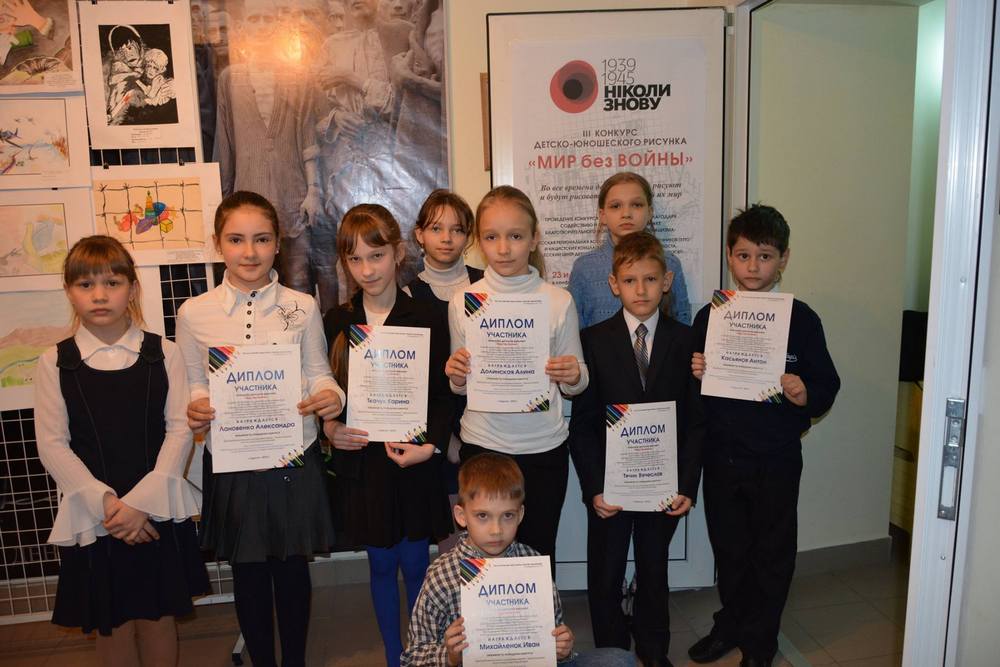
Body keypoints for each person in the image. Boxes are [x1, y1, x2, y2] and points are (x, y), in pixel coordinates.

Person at [177, 191, 344, 667]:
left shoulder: (302, 306)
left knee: (291, 569)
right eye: (236, 240)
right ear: (217, 244)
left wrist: (332, 397)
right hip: (233, 458)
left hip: (292, 453)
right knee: (248, 572)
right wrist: (197, 406)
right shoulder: (193, 313)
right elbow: (194, 382)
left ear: (278, 244)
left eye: (262, 239)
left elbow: (319, 373)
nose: (249, 252)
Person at [35, 235, 209, 665]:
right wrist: (109, 507)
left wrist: (141, 505)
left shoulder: (163, 353)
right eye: (86, 284)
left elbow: (178, 430)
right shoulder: (54, 361)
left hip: (156, 510)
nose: (99, 295)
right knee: (111, 623)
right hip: (95, 516)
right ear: (69, 291)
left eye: (111, 283)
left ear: (132, 288)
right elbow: (52, 444)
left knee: (158, 617)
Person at [687, 205, 840, 667]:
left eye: (765, 256)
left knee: (772, 552)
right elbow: (692, 394)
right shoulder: (710, 317)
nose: (753, 267)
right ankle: (731, 624)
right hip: (722, 456)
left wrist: (804, 393)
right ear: (729, 256)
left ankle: (760, 642)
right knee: (730, 549)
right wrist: (696, 372)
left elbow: (827, 384)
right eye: (744, 255)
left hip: (775, 457)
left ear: (784, 259)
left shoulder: (802, 319)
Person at [323, 203, 453, 667]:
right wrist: (330, 428)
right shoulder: (337, 321)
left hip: (414, 460)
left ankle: (421, 651)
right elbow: (326, 390)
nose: (366, 270)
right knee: (380, 564)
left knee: (416, 563)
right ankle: (394, 656)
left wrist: (431, 447)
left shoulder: (430, 316)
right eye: (354, 259)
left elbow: (443, 395)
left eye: (376, 256)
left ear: (398, 253)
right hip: (365, 464)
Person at [569, 231, 705, 667]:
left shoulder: (686, 342)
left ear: (667, 281)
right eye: (630, 280)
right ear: (614, 284)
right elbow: (583, 426)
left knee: (654, 568)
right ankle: (612, 651)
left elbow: (695, 421)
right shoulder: (592, 340)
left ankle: (653, 648)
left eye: (650, 279)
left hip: (663, 483)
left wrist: (687, 484)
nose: (641, 290)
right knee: (605, 570)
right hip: (611, 485)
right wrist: (594, 488)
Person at [445, 185, 589, 574]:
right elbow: (460, 385)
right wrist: (456, 375)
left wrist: (574, 374)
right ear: (479, 242)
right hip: (483, 445)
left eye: (515, 236)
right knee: (483, 559)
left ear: (534, 238)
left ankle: (541, 618)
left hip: (543, 449)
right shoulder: (464, 301)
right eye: (492, 237)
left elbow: (577, 381)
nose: (504, 248)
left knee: (538, 557)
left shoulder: (557, 300)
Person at [401, 452, 636, 667]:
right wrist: (450, 657)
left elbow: (551, 636)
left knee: (620, 660)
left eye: (507, 516)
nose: (496, 530)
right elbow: (412, 658)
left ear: (520, 515)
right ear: (461, 516)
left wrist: (562, 648)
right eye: (482, 516)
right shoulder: (441, 575)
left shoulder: (532, 563)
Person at [568, 172, 691, 328]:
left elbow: (682, 323)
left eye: (636, 205)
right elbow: (574, 328)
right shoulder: (584, 267)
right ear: (602, 215)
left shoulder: (670, 263)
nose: (626, 214)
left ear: (650, 212)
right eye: (616, 206)